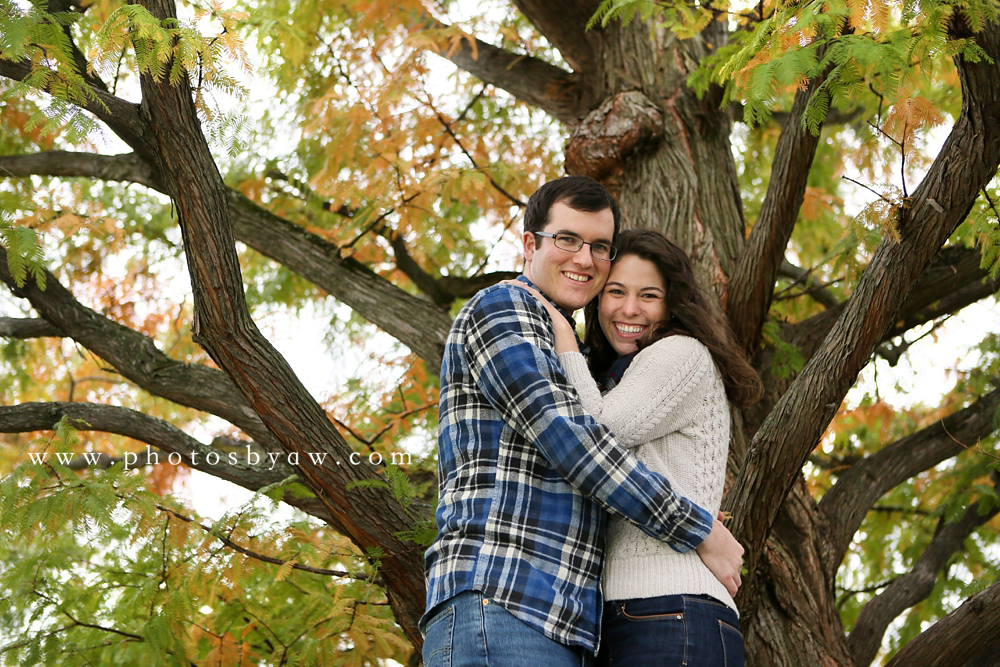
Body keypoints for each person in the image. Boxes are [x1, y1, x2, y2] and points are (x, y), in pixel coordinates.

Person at [420, 176, 745, 667]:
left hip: (561, 622)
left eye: (599, 246)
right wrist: (697, 527)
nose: (583, 258)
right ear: (530, 244)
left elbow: (597, 449)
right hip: (504, 597)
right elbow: (575, 444)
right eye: (567, 239)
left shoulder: (582, 351)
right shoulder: (504, 308)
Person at [512, 228, 762, 667]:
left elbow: (595, 434)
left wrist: (562, 335)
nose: (629, 309)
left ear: (671, 304)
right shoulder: (618, 377)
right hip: (634, 614)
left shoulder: (679, 353)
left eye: (648, 296)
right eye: (615, 292)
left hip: (670, 606)